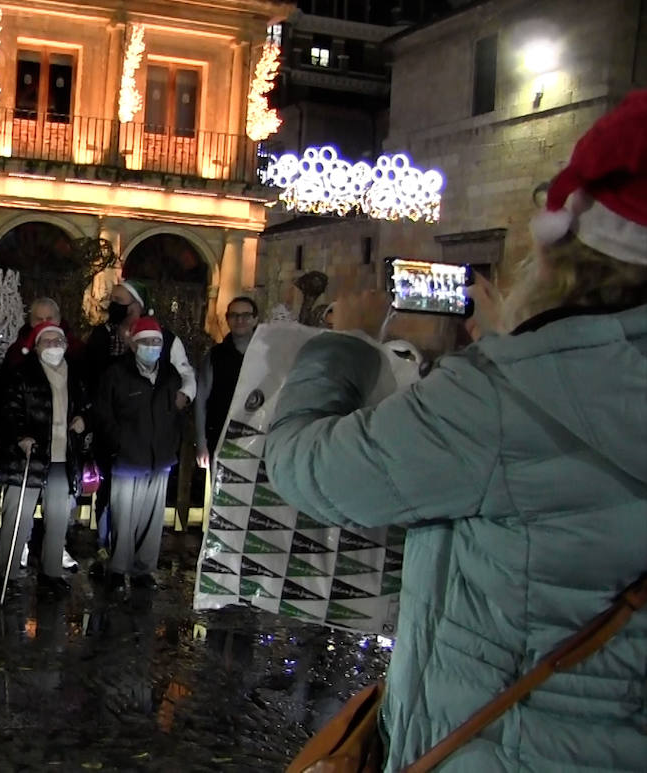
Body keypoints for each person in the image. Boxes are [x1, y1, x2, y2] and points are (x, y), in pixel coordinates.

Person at [266, 91, 647, 772]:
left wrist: (347, 340)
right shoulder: (514, 391)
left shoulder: (503, 401)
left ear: (568, 251)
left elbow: (305, 464)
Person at [84, 279, 196, 564]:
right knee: (114, 502)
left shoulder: (168, 347)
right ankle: (110, 552)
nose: (115, 306)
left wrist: (181, 400)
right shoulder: (103, 337)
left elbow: (185, 378)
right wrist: (113, 437)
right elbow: (98, 391)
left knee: (149, 510)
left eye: (121, 301)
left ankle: (142, 565)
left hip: (156, 444)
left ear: (137, 304)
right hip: (121, 442)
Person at [0, 322, 90, 596]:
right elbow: (8, 411)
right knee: (18, 517)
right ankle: (8, 575)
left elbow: (88, 406)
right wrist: (20, 435)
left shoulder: (76, 375)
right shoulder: (21, 374)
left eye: (57, 340)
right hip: (28, 457)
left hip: (62, 456)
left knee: (59, 518)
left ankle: (50, 573)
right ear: (36, 346)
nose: (52, 345)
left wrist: (84, 419)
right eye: (46, 341)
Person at [94, 317, 182, 589]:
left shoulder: (170, 374)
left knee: (153, 519)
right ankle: (118, 568)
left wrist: (171, 444)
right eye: (146, 341)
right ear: (133, 344)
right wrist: (118, 444)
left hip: (160, 457)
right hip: (127, 457)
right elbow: (104, 414)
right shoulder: (116, 373)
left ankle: (143, 570)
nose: (152, 346)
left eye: (156, 341)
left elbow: (175, 414)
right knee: (123, 516)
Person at [195, 296, 259, 468]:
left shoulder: (266, 355)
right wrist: (201, 443)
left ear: (255, 319)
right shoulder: (215, 356)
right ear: (227, 319)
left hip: (258, 439)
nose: (240, 320)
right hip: (220, 436)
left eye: (246, 315)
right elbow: (201, 399)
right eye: (234, 315)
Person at [2, 297, 83, 374]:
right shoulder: (17, 351)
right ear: (32, 322)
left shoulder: (76, 349)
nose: (45, 323)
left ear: (58, 319)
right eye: (39, 319)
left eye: (49, 318)